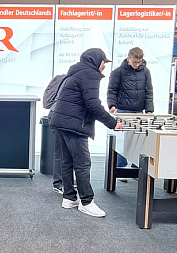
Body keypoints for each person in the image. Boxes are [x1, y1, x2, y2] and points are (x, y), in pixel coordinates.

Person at [49, 47, 124, 218]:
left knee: (67, 161)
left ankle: (69, 198)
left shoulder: (76, 72)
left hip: (61, 121)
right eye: (104, 62)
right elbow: (93, 105)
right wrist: (112, 123)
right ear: (96, 60)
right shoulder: (90, 74)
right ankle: (86, 202)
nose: (104, 66)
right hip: (74, 124)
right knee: (83, 164)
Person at [107, 47, 153, 170]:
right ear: (128, 59)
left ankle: (136, 167)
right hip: (123, 110)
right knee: (122, 142)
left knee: (139, 140)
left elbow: (149, 91)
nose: (137, 65)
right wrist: (112, 105)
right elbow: (111, 90)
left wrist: (149, 109)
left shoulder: (146, 72)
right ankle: (121, 168)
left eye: (139, 62)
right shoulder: (118, 72)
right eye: (135, 62)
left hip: (139, 111)